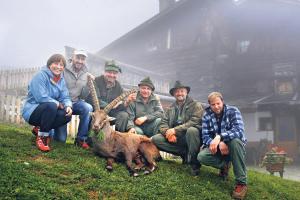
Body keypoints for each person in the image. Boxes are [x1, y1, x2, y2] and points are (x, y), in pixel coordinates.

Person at [197, 92, 247, 199]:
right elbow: (205, 136)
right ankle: (224, 166)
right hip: (218, 146)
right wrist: (218, 143)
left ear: (222, 102)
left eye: (218, 103)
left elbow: (239, 131)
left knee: (235, 142)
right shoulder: (206, 115)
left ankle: (241, 183)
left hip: (233, 146)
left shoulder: (233, 111)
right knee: (202, 156)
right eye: (213, 104)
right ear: (209, 105)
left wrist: (221, 137)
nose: (216, 107)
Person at [22, 54, 72, 152]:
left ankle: (39, 129)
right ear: (49, 64)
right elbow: (40, 97)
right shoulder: (40, 75)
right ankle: (42, 138)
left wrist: (68, 105)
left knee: (66, 115)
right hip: (33, 111)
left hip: (49, 110)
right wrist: (57, 103)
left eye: (61, 65)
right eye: (56, 63)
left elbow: (65, 96)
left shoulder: (61, 80)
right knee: (52, 105)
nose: (58, 67)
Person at [152, 80, 204, 176]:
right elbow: (163, 123)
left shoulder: (196, 105)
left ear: (186, 92)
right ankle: (184, 153)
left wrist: (175, 130)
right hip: (175, 137)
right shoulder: (171, 108)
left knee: (192, 131)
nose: (179, 93)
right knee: (155, 139)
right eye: (177, 91)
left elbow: (195, 121)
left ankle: (194, 164)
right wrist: (168, 133)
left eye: (182, 91)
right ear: (174, 94)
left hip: (191, 136)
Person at [85, 60, 136, 132]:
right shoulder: (96, 81)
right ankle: (87, 139)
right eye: (109, 72)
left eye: (114, 73)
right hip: (97, 113)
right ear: (104, 72)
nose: (112, 75)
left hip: (110, 114)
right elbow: (90, 99)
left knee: (123, 115)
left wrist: (126, 102)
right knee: (90, 111)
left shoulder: (118, 86)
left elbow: (120, 106)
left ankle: (118, 140)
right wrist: (111, 106)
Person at [62, 49, 93, 149]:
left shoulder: (86, 73)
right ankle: (48, 132)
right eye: (78, 58)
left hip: (75, 103)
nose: (80, 61)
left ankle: (81, 139)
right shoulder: (64, 69)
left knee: (88, 108)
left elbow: (84, 94)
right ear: (73, 57)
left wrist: (89, 83)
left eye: (82, 59)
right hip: (62, 103)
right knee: (59, 139)